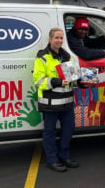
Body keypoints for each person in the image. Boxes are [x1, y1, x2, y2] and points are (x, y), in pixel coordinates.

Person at [33, 27, 79, 172]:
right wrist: (57, 82)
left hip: (67, 103)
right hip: (50, 104)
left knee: (68, 131)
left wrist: (81, 81)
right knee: (49, 132)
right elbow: (38, 80)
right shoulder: (42, 57)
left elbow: (72, 79)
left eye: (61, 38)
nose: (59, 40)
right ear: (50, 39)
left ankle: (64, 156)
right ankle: (52, 160)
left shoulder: (67, 57)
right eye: (56, 38)